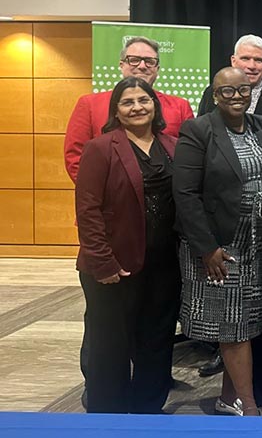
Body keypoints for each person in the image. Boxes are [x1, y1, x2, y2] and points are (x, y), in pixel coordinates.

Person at [173, 67, 262, 417]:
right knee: (231, 324)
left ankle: (228, 398)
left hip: (260, 241)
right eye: (227, 91)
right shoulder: (198, 130)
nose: (237, 96)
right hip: (220, 244)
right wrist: (207, 248)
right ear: (215, 95)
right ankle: (248, 407)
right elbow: (185, 194)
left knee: (247, 320)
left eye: (243, 89)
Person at [74, 77, 181, 414]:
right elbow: (87, 209)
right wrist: (103, 262)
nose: (137, 107)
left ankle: (148, 411)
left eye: (143, 100)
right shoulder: (101, 147)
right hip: (114, 265)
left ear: (155, 105)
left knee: (157, 339)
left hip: (163, 263)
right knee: (111, 345)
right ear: (116, 111)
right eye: (128, 102)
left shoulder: (173, 145)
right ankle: (109, 414)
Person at [65, 36, 194, 183]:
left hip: (168, 197)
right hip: (113, 201)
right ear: (121, 65)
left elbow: (190, 157)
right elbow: (75, 157)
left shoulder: (180, 106)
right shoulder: (89, 104)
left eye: (149, 61)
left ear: (157, 69)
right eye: (134, 60)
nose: (142, 66)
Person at [198, 34, 262, 150]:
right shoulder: (212, 93)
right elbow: (200, 137)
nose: (252, 66)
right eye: (245, 58)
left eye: (258, 60)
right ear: (233, 61)